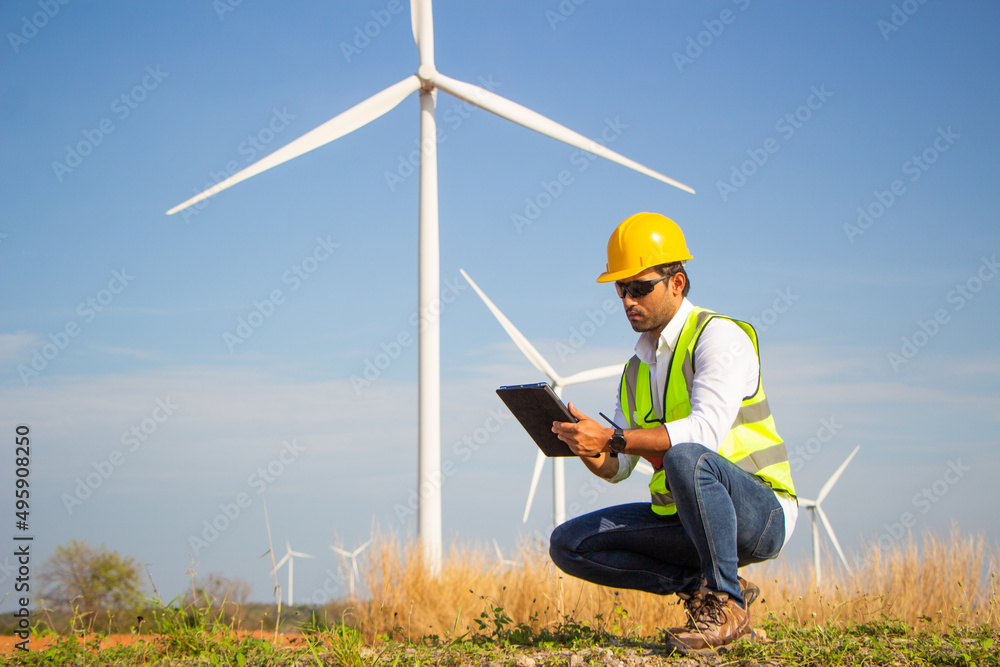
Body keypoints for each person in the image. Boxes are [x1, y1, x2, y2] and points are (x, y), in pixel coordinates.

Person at [548, 212, 797, 654]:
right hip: (682, 520)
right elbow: (619, 468)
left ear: (677, 283)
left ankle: (726, 604)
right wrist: (586, 445)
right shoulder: (634, 369)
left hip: (759, 513)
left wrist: (613, 436)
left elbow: (701, 431)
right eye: (621, 289)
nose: (628, 299)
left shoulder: (719, 337)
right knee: (568, 544)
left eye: (640, 287)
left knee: (686, 455)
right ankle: (706, 586)